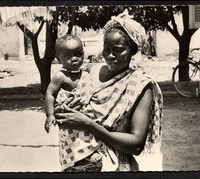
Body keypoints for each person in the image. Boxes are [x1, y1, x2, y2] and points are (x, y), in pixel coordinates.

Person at [53, 9, 163, 172]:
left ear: (132, 50)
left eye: (118, 49)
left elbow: (136, 145)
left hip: (114, 165)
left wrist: (89, 125)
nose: (110, 55)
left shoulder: (140, 85)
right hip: (76, 159)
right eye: (106, 48)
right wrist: (59, 110)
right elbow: (64, 104)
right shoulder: (91, 71)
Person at [44, 34, 103, 172]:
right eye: (68, 56)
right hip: (68, 115)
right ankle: (77, 159)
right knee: (69, 139)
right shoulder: (61, 76)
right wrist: (50, 115)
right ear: (59, 59)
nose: (74, 58)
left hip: (85, 113)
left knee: (90, 130)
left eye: (78, 54)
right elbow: (50, 94)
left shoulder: (86, 72)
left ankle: (90, 152)